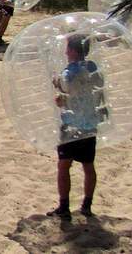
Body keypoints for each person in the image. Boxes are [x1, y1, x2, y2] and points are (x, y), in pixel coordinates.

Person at [46, 33, 107, 220]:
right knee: (89, 165)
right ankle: (87, 206)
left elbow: (63, 94)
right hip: (90, 125)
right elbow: (96, 90)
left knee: (64, 166)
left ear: (72, 51)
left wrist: (57, 86)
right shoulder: (93, 68)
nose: (65, 52)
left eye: (67, 48)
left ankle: (64, 206)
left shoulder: (68, 72)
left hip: (71, 126)